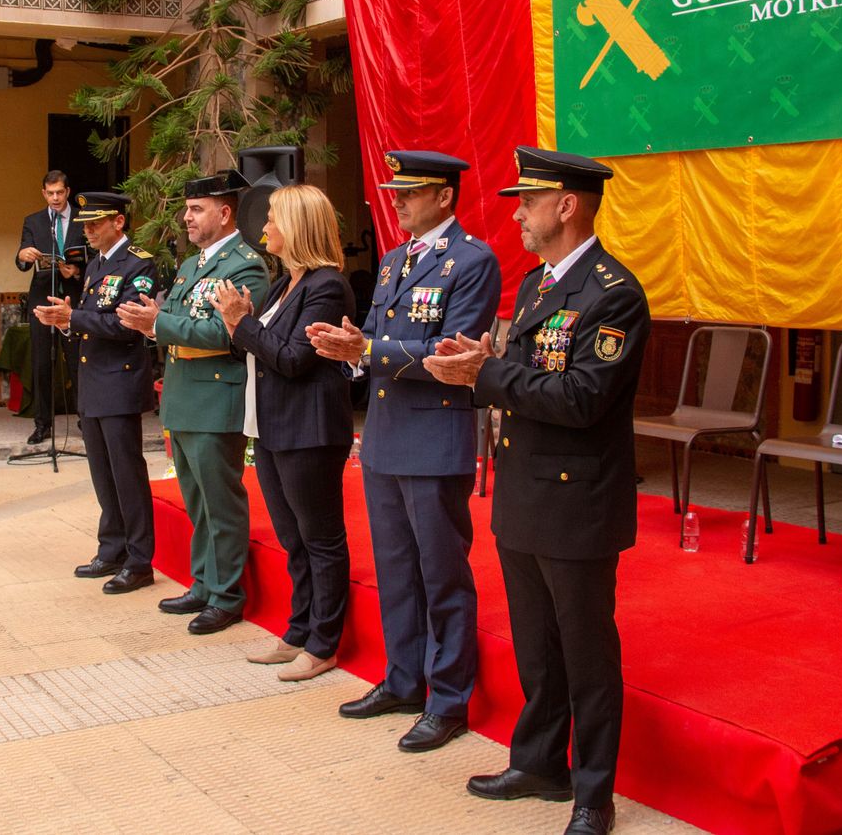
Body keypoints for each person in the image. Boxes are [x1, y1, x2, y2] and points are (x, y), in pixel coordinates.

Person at [424, 147, 650, 835]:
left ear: (567, 206)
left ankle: (593, 794)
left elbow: (582, 398)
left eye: (527, 201)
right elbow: (523, 375)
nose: (518, 214)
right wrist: (481, 368)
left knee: (586, 652)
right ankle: (540, 761)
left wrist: (484, 375)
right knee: (536, 646)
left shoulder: (613, 293)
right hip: (526, 492)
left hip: (577, 500)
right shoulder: (536, 286)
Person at [306, 150, 500, 753]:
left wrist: (368, 348)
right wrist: (349, 348)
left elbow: (450, 349)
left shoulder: (471, 261)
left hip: (435, 433)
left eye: (409, 192)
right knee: (395, 572)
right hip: (388, 433)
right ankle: (403, 678)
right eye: (394, 191)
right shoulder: (392, 262)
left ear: (445, 196)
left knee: (442, 575)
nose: (396, 201)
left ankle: (448, 700)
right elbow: (375, 335)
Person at [117, 170, 268, 635]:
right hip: (184, 394)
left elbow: (227, 333)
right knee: (197, 500)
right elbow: (184, 325)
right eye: (187, 209)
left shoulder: (245, 266)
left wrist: (158, 324)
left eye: (196, 209)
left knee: (221, 502)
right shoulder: (190, 266)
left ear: (225, 214)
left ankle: (227, 596)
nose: (187, 217)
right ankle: (204, 582)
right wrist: (156, 325)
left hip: (215, 397)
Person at [214, 183, 354, 682]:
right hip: (273, 427)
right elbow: (255, 347)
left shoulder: (326, 286)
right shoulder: (286, 282)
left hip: (309, 430)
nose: (265, 227)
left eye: (273, 218)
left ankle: (324, 643)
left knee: (321, 540)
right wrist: (242, 324)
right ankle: (298, 631)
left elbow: (294, 359)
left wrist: (242, 324)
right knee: (293, 538)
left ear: (296, 227)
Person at [34, 192, 158, 594]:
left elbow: (125, 324)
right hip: (93, 380)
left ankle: (139, 560)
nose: (86, 230)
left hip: (119, 382)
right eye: (85, 224)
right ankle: (113, 547)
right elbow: (91, 321)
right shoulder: (96, 265)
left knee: (127, 474)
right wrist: (65, 322)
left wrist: (75, 317)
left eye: (94, 223)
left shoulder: (139, 264)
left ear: (118, 222)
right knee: (103, 474)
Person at [15, 170, 86, 444]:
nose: (55, 198)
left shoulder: (83, 218)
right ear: (44, 193)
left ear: (68, 191)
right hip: (42, 299)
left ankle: (85, 419)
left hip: (73, 300)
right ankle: (42, 423)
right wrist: (23, 256)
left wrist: (77, 271)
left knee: (78, 361)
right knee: (42, 363)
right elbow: (22, 257)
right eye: (50, 193)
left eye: (60, 192)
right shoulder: (33, 221)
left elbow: (94, 258)